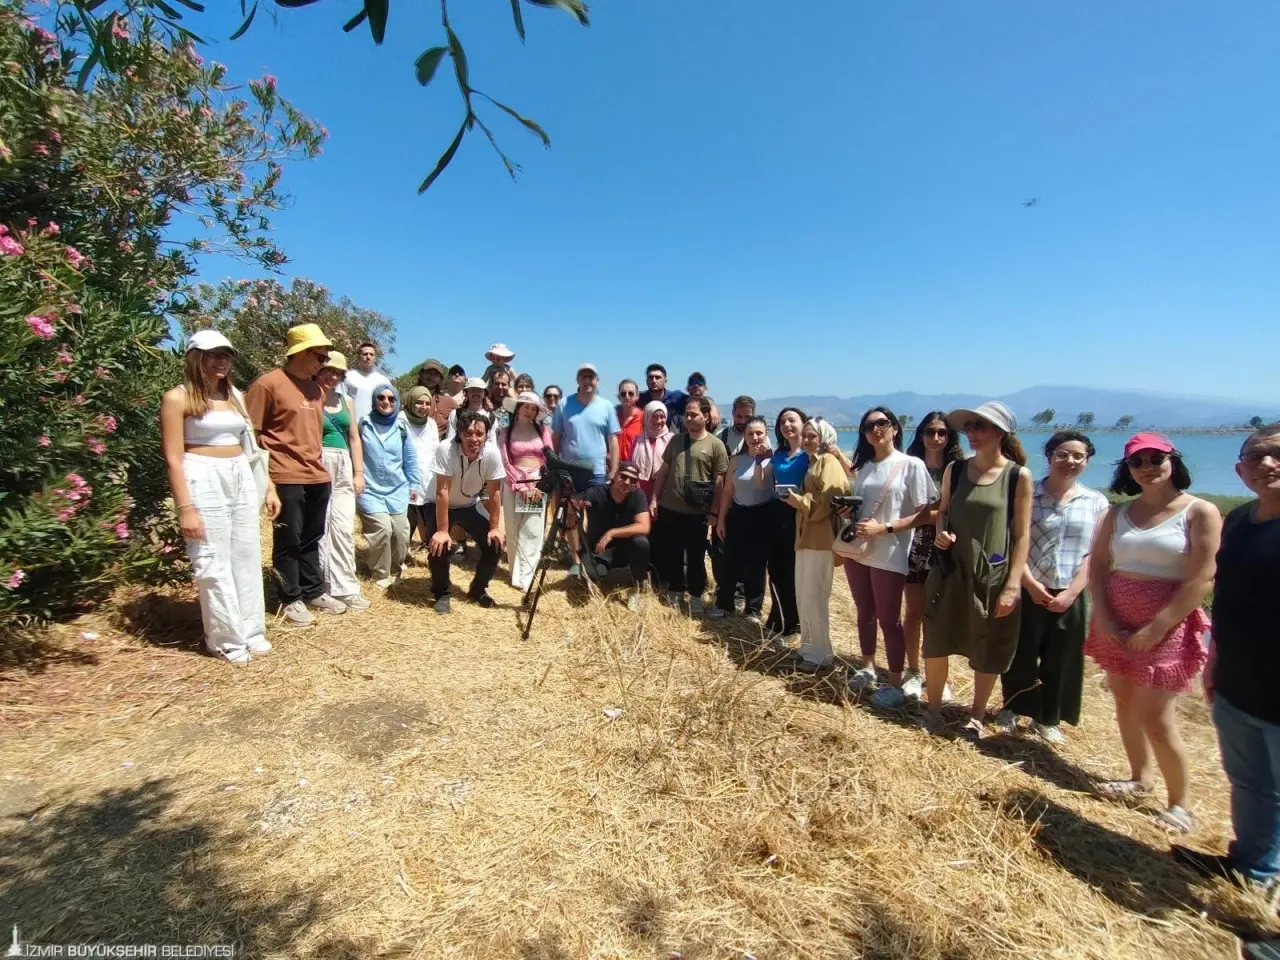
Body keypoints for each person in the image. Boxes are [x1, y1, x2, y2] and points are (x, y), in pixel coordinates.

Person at [1085, 433, 1220, 833]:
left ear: (1172, 461)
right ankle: (1139, 778)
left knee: (1157, 717)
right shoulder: (1118, 513)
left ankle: (1180, 804)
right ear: (1127, 470)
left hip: (1168, 625)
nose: (1147, 467)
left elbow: (1202, 577)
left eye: (1155, 459)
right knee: (1125, 704)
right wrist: (1105, 618)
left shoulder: (1199, 511)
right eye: (1137, 462)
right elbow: (1098, 568)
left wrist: (1159, 625)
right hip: (1116, 621)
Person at [1173, 424, 1280, 889]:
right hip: (1239, 681)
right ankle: (1251, 868)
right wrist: (1213, 659)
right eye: (1256, 457)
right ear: (1239, 470)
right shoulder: (1238, 523)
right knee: (1249, 782)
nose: (1267, 464)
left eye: (1276, 454)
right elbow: (1227, 597)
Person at [161, 331, 280, 663]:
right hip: (202, 475)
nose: (221, 360)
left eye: (226, 354)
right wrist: (186, 508)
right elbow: (173, 458)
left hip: (240, 474)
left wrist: (268, 487)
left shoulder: (238, 397)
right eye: (213, 354)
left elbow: (252, 448)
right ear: (195, 357)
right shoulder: (177, 398)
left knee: (246, 554)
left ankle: (251, 630)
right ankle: (225, 639)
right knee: (212, 559)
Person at [922, 401, 1033, 740]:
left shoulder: (1017, 476)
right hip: (950, 570)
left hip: (991, 575)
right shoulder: (956, 470)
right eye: (969, 427)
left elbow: (1022, 533)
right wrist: (941, 531)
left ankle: (976, 715)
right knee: (937, 640)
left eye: (980, 427)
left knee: (988, 645)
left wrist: (1013, 585)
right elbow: (941, 511)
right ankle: (934, 709)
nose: (971, 433)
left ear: (1000, 433)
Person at [994, 431, 1108, 742]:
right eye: (1062, 454)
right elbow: (1012, 540)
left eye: (1077, 456)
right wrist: (1028, 584)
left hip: (1070, 591)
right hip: (1028, 585)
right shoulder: (1028, 493)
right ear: (1049, 456)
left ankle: (1048, 718)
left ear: (1086, 462)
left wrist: (1072, 593)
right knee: (1021, 651)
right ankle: (1013, 708)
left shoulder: (1096, 502)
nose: (1069, 461)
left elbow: (1095, 553)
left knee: (1063, 656)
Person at [245, 323, 348, 626]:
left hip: (317, 475)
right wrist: (267, 484)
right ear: (301, 353)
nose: (324, 362)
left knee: (312, 537)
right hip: (284, 475)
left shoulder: (316, 390)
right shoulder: (268, 384)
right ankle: (290, 598)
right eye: (321, 356)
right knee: (288, 538)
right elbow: (252, 433)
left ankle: (313, 590)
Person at [835, 407, 937, 705]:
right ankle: (867, 667)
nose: (875, 430)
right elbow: (862, 506)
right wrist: (846, 510)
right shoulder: (863, 466)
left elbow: (925, 512)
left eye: (881, 423)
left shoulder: (910, 465)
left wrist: (887, 528)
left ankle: (894, 681)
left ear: (894, 427)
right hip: (859, 550)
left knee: (889, 619)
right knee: (864, 612)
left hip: (890, 551)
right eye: (868, 426)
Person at [902, 412, 964, 702]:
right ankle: (913, 671)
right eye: (930, 431)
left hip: (942, 548)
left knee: (937, 616)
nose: (936, 438)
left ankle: (936, 676)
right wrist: (928, 516)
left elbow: (956, 513)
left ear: (950, 436)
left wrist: (925, 517)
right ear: (921, 434)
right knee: (913, 613)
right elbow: (900, 508)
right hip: (910, 547)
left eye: (942, 432)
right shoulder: (908, 465)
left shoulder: (960, 471)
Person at [650, 396, 729, 613]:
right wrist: (655, 499)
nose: (689, 418)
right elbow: (663, 471)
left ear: (705, 416)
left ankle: (695, 596)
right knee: (672, 554)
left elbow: (720, 482)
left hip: (698, 513)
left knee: (695, 558)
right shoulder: (676, 441)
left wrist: (714, 512)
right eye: (687, 414)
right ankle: (676, 592)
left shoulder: (716, 445)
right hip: (670, 508)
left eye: (693, 414)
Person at [785, 418, 849, 671]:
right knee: (804, 594)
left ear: (824, 438)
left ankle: (819, 654)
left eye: (813, 436)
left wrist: (798, 501)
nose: (808, 440)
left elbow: (829, 500)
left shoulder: (828, 462)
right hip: (807, 536)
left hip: (819, 538)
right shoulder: (815, 462)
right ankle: (809, 647)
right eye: (806, 436)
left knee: (814, 595)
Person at [427, 410, 506, 612]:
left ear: (487, 435)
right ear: (459, 434)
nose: (474, 439)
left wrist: (495, 528)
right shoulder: (446, 449)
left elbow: (495, 493)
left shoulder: (492, 454)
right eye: (468, 433)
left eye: (479, 434)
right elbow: (442, 491)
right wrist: (443, 531)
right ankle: (442, 593)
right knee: (438, 546)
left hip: (470, 505)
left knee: (494, 544)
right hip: (441, 505)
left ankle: (478, 590)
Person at [552, 363, 621, 577]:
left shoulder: (606, 406)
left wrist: (613, 471)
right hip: (570, 473)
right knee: (571, 517)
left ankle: (594, 557)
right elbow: (555, 437)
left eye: (591, 377)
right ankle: (574, 560)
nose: (587, 380)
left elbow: (613, 440)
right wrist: (555, 465)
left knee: (597, 517)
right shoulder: (564, 404)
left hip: (597, 473)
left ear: (597, 381)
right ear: (578, 380)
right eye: (583, 376)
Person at [315, 352, 370, 611]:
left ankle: (346, 587)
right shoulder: (310, 397)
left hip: (344, 464)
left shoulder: (346, 400)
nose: (332, 376)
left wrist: (358, 473)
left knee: (343, 527)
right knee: (321, 528)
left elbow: (354, 439)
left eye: (338, 373)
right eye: (328, 370)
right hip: (319, 461)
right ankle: (323, 587)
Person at [357, 386, 422, 589]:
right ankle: (380, 573)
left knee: (401, 531)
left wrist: (414, 484)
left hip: (397, 489)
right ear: (375, 400)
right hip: (370, 490)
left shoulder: (401, 428)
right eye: (381, 398)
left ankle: (396, 568)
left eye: (392, 399)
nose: (386, 402)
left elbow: (410, 459)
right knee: (382, 529)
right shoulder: (363, 425)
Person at [711, 416, 773, 623]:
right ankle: (724, 604)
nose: (755, 438)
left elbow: (759, 483)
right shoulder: (736, 460)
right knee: (729, 560)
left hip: (761, 513)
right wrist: (721, 520)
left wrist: (759, 460)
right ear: (744, 437)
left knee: (756, 563)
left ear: (766, 435)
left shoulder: (772, 460)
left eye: (759, 433)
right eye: (750, 434)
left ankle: (753, 609)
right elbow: (727, 491)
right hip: (738, 512)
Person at [576, 462, 652, 611]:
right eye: (623, 477)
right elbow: (575, 507)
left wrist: (611, 533)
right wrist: (576, 508)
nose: (627, 482)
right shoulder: (596, 492)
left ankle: (636, 588)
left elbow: (644, 526)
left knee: (641, 543)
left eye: (633, 480)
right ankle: (601, 573)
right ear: (615, 475)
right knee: (592, 575)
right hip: (599, 549)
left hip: (624, 550)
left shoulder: (638, 495)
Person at [498, 391, 553, 591]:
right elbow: (504, 461)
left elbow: (549, 458)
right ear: (518, 408)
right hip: (514, 484)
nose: (529, 411)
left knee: (533, 529)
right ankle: (515, 572)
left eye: (533, 408)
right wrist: (519, 485)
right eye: (525, 407)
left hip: (537, 484)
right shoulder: (506, 432)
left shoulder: (542, 431)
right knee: (513, 527)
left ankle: (528, 573)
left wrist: (539, 486)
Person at [764, 407, 808, 639]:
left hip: (799, 515)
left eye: (792, 420)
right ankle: (776, 617)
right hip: (776, 513)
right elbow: (765, 481)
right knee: (775, 569)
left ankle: (794, 624)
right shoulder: (778, 454)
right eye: (782, 422)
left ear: (803, 424)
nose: (787, 425)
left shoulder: (810, 455)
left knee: (793, 572)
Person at [401, 386, 440, 553]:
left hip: (428, 477)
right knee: (407, 520)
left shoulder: (431, 424)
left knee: (430, 518)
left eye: (427, 403)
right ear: (411, 402)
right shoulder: (400, 420)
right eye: (419, 403)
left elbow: (436, 449)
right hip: (405, 477)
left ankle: (435, 555)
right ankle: (400, 555)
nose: (423, 407)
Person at [632, 401, 673, 507]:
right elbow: (630, 464)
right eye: (654, 417)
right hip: (640, 489)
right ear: (647, 418)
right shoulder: (637, 439)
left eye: (662, 417)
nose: (658, 421)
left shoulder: (672, 439)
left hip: (664, 491)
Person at [342, 342, 392, 429]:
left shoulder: (383, 381)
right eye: (365, 354)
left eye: (371, 354)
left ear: (375, 358)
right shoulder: (347, 377)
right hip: (352, 428)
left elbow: (391, 405)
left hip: (376, 428)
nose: (368, 357)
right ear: (358, 357)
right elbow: (340, 402)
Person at [415, 358, 455, 438]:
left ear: (440, 379)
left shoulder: (449, 402)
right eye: (428, 373)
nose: (431, 377)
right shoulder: (407, 398)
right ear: (421, 374)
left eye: (436, 375)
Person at [615, 379, 645, 462]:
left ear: (637, 396)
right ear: (619, 397)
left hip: (634, 469)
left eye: (631, 393)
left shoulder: (644, 418)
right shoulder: (613, 418)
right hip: (613, 467)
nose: (627, 396)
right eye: (623, 394)